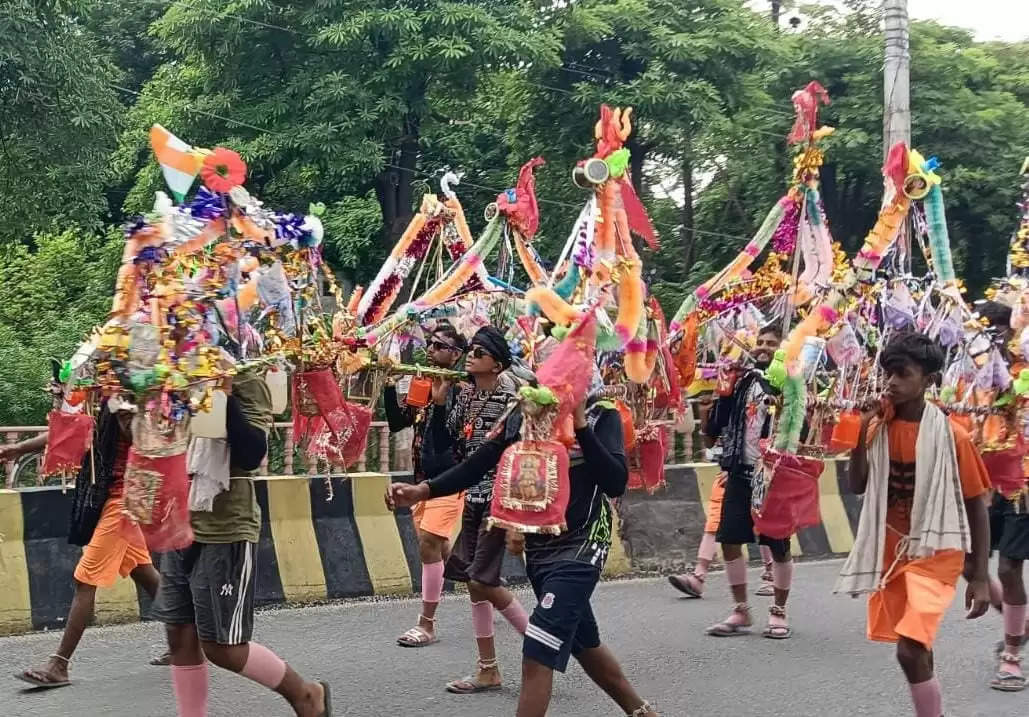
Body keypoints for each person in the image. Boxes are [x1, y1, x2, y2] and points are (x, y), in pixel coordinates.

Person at [389, 392, 659, 716]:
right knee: (584, 644)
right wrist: (424, 489)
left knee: (538, 647)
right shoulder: (522, 411)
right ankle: (642, 712)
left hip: (583, 543)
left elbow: (615, 481)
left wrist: (582, 425)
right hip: (539, 547)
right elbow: (480, 462)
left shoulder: (601, 413)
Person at [153, 368, 331, 717]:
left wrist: (224, 395)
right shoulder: (175, 370)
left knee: (223, 648)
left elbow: (251, 454)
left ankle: (306, 694)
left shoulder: (249, 378)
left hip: (225, 526)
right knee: (179, 634)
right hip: (179, 519)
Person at [835, 332, 992, 717]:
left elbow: (976, 504)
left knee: (908, 649)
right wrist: (859, 435)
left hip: (937, 550)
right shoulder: (877, 429)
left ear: (928, 381)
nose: (891, 382)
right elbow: (857, 485)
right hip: (891, 550)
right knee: (917, 646)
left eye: (903, 374)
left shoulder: (953, 436)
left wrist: (980, 575)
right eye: (888, 373)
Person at [13, 398, 164, 688]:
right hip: (110, 499)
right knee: (145, 573)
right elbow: (71, 431)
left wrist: (125, 414)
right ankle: (190, 638)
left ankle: (59, 665)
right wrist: (17, 449)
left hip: (125, 500)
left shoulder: (137, 391)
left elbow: (143, 440)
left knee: (85, 579)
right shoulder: (101, 395)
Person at [416, 325, 531, 693]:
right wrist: (439, 401)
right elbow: (445, 442)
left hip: (501, 497)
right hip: (474, 495)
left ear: (496, 363)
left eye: (479, 352)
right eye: (472, 351)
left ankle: (540, 641)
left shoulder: (511, 397)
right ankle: (488, 668)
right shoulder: (466, 397)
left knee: (482, 579)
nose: (471, 356)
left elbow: (518, 448)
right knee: (474, 584)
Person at [702, 325, 795, 637]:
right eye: (760, 343)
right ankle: (741, 610)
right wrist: (722, 391)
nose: (763, 348)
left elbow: (797, 418)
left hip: (774, 474)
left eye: (771, 344)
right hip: (739, 470)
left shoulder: (791, 380)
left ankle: (779, 610)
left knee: (778, 544)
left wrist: (772, 378)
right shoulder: (742, 380)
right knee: (728, 540)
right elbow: (717, 424)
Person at [382, 322, 467, 647]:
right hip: (422, 481)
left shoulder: (463, 389)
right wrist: (390, 386)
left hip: (449, 479)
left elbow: (449, 438)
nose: (430, 351)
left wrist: (442, 400)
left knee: (429, 543)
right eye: (429, 345)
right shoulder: (421, 383)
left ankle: (426, 624)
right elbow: (397, 421)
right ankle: (480, 584)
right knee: (440, 546)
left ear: (455, 355)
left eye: (439, 346)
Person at [976, 301, 1029, 691]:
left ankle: (1011, 655)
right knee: (968, 561)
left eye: (999, 328)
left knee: (1009, 570)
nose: (995, 336)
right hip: (988, 482)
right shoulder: (985, 377)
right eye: (988, 330)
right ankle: (1016, 618)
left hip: (1023, 488)